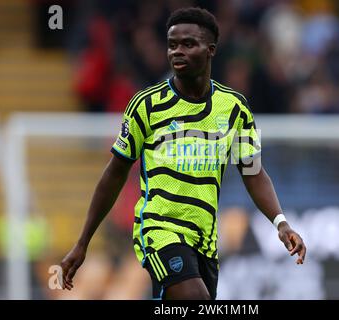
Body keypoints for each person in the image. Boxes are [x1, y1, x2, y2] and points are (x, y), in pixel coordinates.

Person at [60, 7, 306, 300]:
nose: (177, 51)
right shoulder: (146, 105)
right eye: (172, 44)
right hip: (159, 231)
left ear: (211, 50)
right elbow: (114, 173)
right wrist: (83, 242)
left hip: (204, 240)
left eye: (188, 44)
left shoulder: (235, 109)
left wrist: (281, 223)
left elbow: (253, 173)